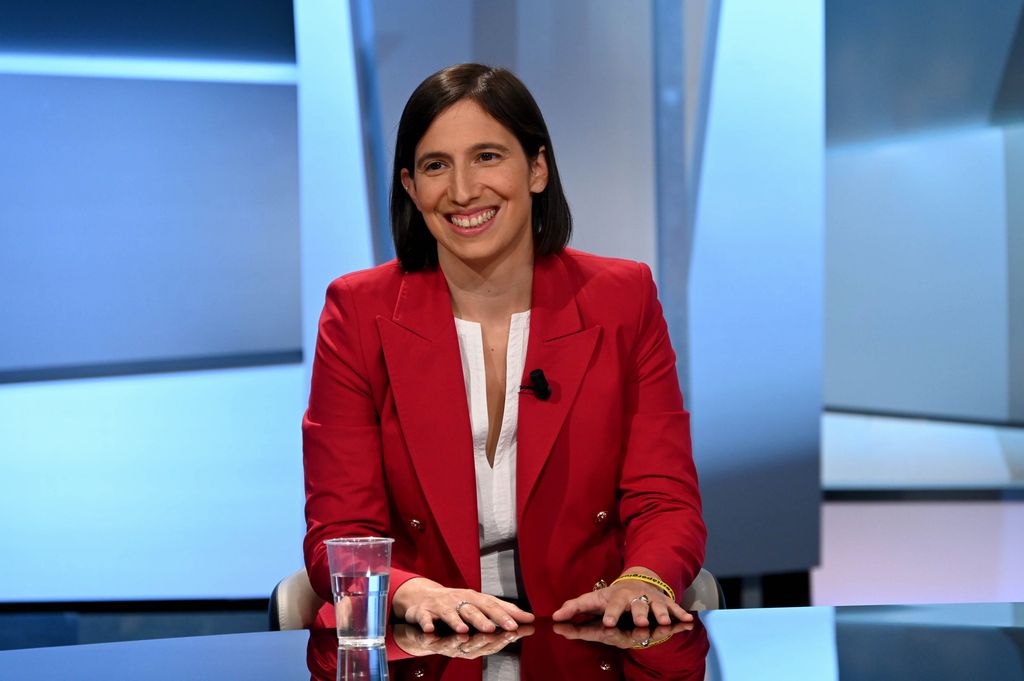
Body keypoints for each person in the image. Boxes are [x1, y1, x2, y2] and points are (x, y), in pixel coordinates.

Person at [302, 63, 705, 635]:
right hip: (423, 641)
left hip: (581, 631)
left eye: (487, 157)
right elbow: (339, 532)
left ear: (537, 169)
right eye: (436, 166)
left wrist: (644, 578)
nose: (463, 190)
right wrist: (411, 592)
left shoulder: (622, 298)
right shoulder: (357, 312)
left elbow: (664, 498)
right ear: (411, 187)